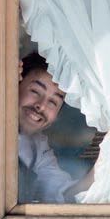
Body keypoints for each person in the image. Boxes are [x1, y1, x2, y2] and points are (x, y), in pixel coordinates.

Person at [17, 52, 90, 203]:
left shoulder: (38, 149)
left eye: (53, 102)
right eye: (35, 91)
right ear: (15, 85)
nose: (41, 105)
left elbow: (63, 195)